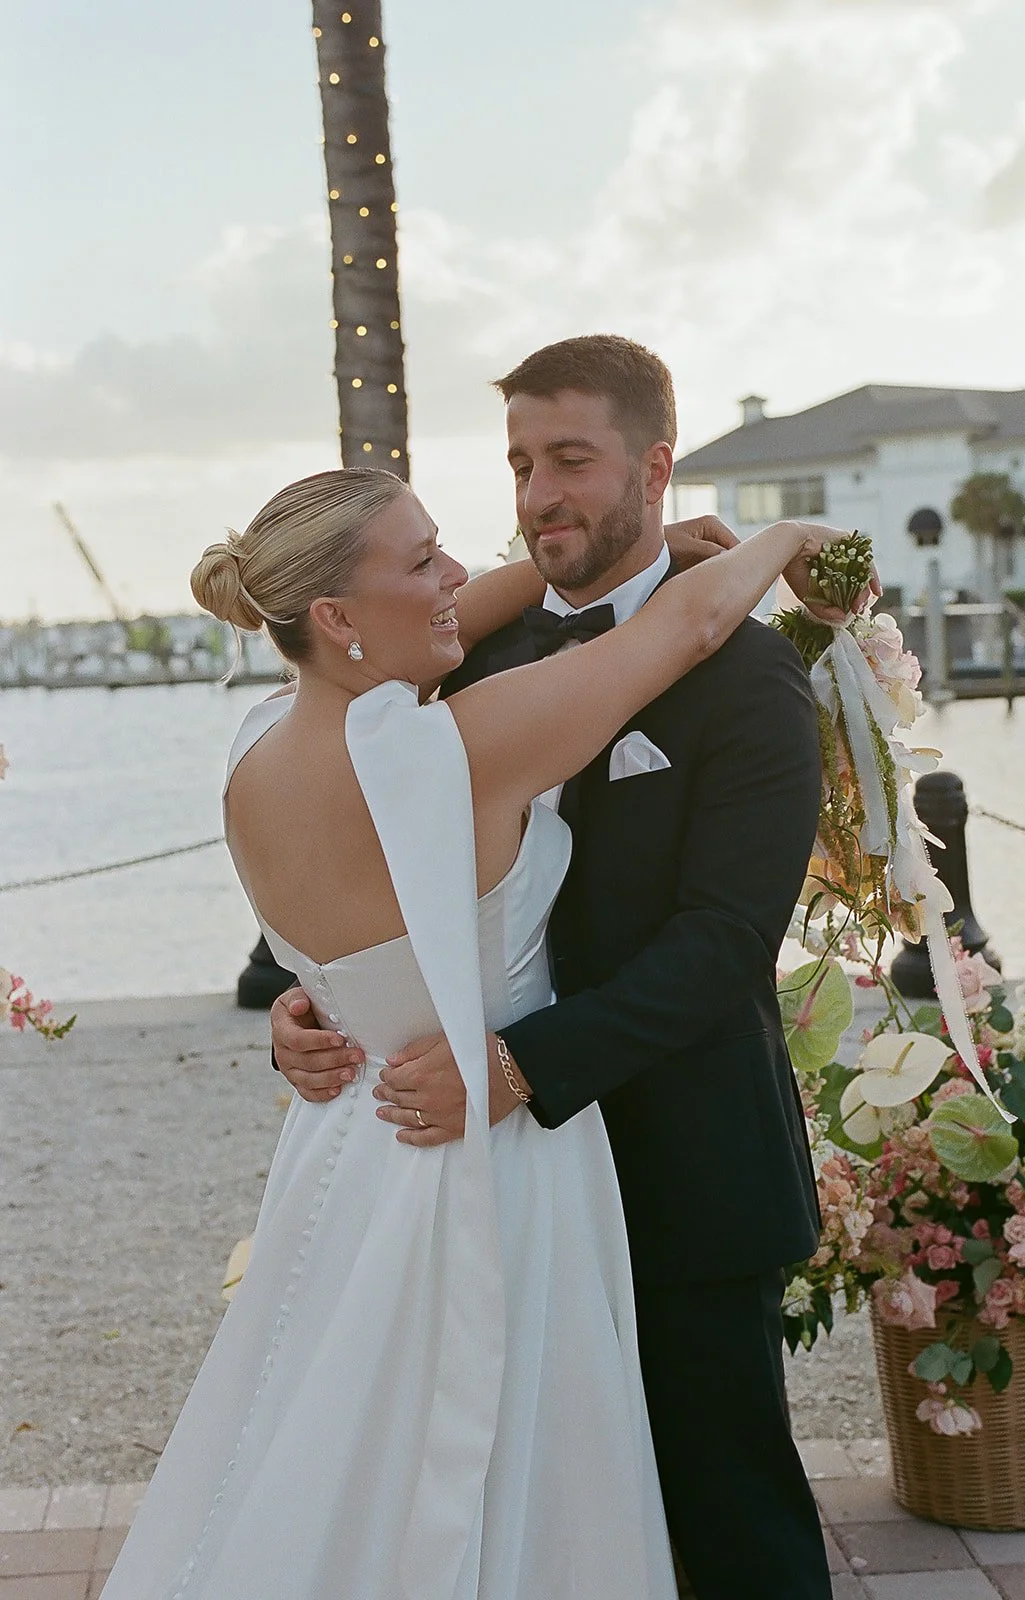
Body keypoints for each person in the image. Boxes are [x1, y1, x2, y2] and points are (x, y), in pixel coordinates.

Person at [100, 453, 840, 1600]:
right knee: (514, 1476)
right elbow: (686, 629)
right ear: (338, 616)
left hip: (347, 1152)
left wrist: (302, 1015)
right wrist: (781, 539)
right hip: (492, 1158)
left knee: (342, 1457)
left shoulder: (254, 746)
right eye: (422, 559)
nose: (460, 572)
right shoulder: (451, 750)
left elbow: (352, 955)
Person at [273, 336, 862, 1599]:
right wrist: (316, 1004)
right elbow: (384, 886)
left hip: (681, 1165)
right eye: (521, 463)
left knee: (731, 1517)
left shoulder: (754, 675)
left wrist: (518, 1065)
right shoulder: (453, 662)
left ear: (653, 467)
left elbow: (721, 942)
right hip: (496, 1194)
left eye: (572, 460)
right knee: (525, 1522)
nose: (540, 493)